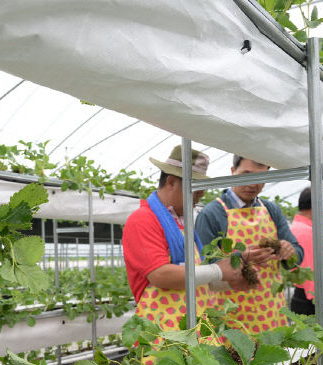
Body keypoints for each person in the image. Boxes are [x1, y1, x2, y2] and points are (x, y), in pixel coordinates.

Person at [122, 145, 251, 345]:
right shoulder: (143, 219)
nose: (200, 195)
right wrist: (217, 270)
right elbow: (160, 274)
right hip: (162, 334)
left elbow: (195, 277)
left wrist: (230, 279)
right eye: (195, 189)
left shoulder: (183, 223)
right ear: (172, 182)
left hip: (194, 328)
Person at [195, 156, 303, 333]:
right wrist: (241, 258)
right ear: (232, 172)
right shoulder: (213, 213)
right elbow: (203, 269)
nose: (253, 184)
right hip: (230, 314)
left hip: (270, 311)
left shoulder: (271, 210)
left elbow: (297, 253)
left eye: (261, 178)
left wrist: (290, 252)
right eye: (246, 174)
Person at [289, 187, 323, 315]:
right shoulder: (304, 231)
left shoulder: (307, 228)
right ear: (319, 204)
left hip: (314, 299)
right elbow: (308, 270)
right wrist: (319, 303)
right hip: (312, 302)